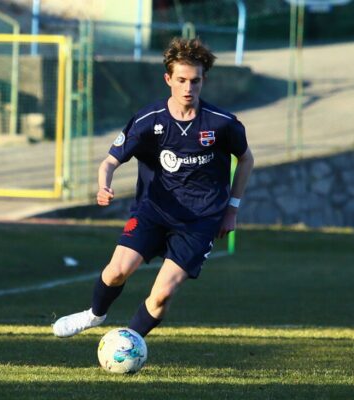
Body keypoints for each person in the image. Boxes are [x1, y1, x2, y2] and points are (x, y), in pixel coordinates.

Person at [53, 37, 254, 339]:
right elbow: (108, 162)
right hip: (153, 211)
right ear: (168, 79)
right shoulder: (149, 120)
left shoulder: (222, 123)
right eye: (182, 80)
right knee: (117, 270)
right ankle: (94, 315)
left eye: (195, 81)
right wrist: (103, 186)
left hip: (199, 222)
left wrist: (232, 210)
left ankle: (129, 341)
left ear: (204, 80)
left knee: (161, 296)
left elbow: (246, 159)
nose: (188, 88)